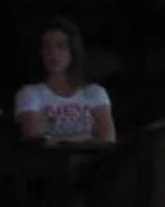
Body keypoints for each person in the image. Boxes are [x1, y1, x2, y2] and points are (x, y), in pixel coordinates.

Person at [14, 18, 117, 146]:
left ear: (72, 51)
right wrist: (85, 138)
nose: (53, 53)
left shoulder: (94, 93)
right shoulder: (30, 94)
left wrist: (56, 140)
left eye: (60, 46)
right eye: (47, 47)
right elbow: (35, 140)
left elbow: (107, 139)